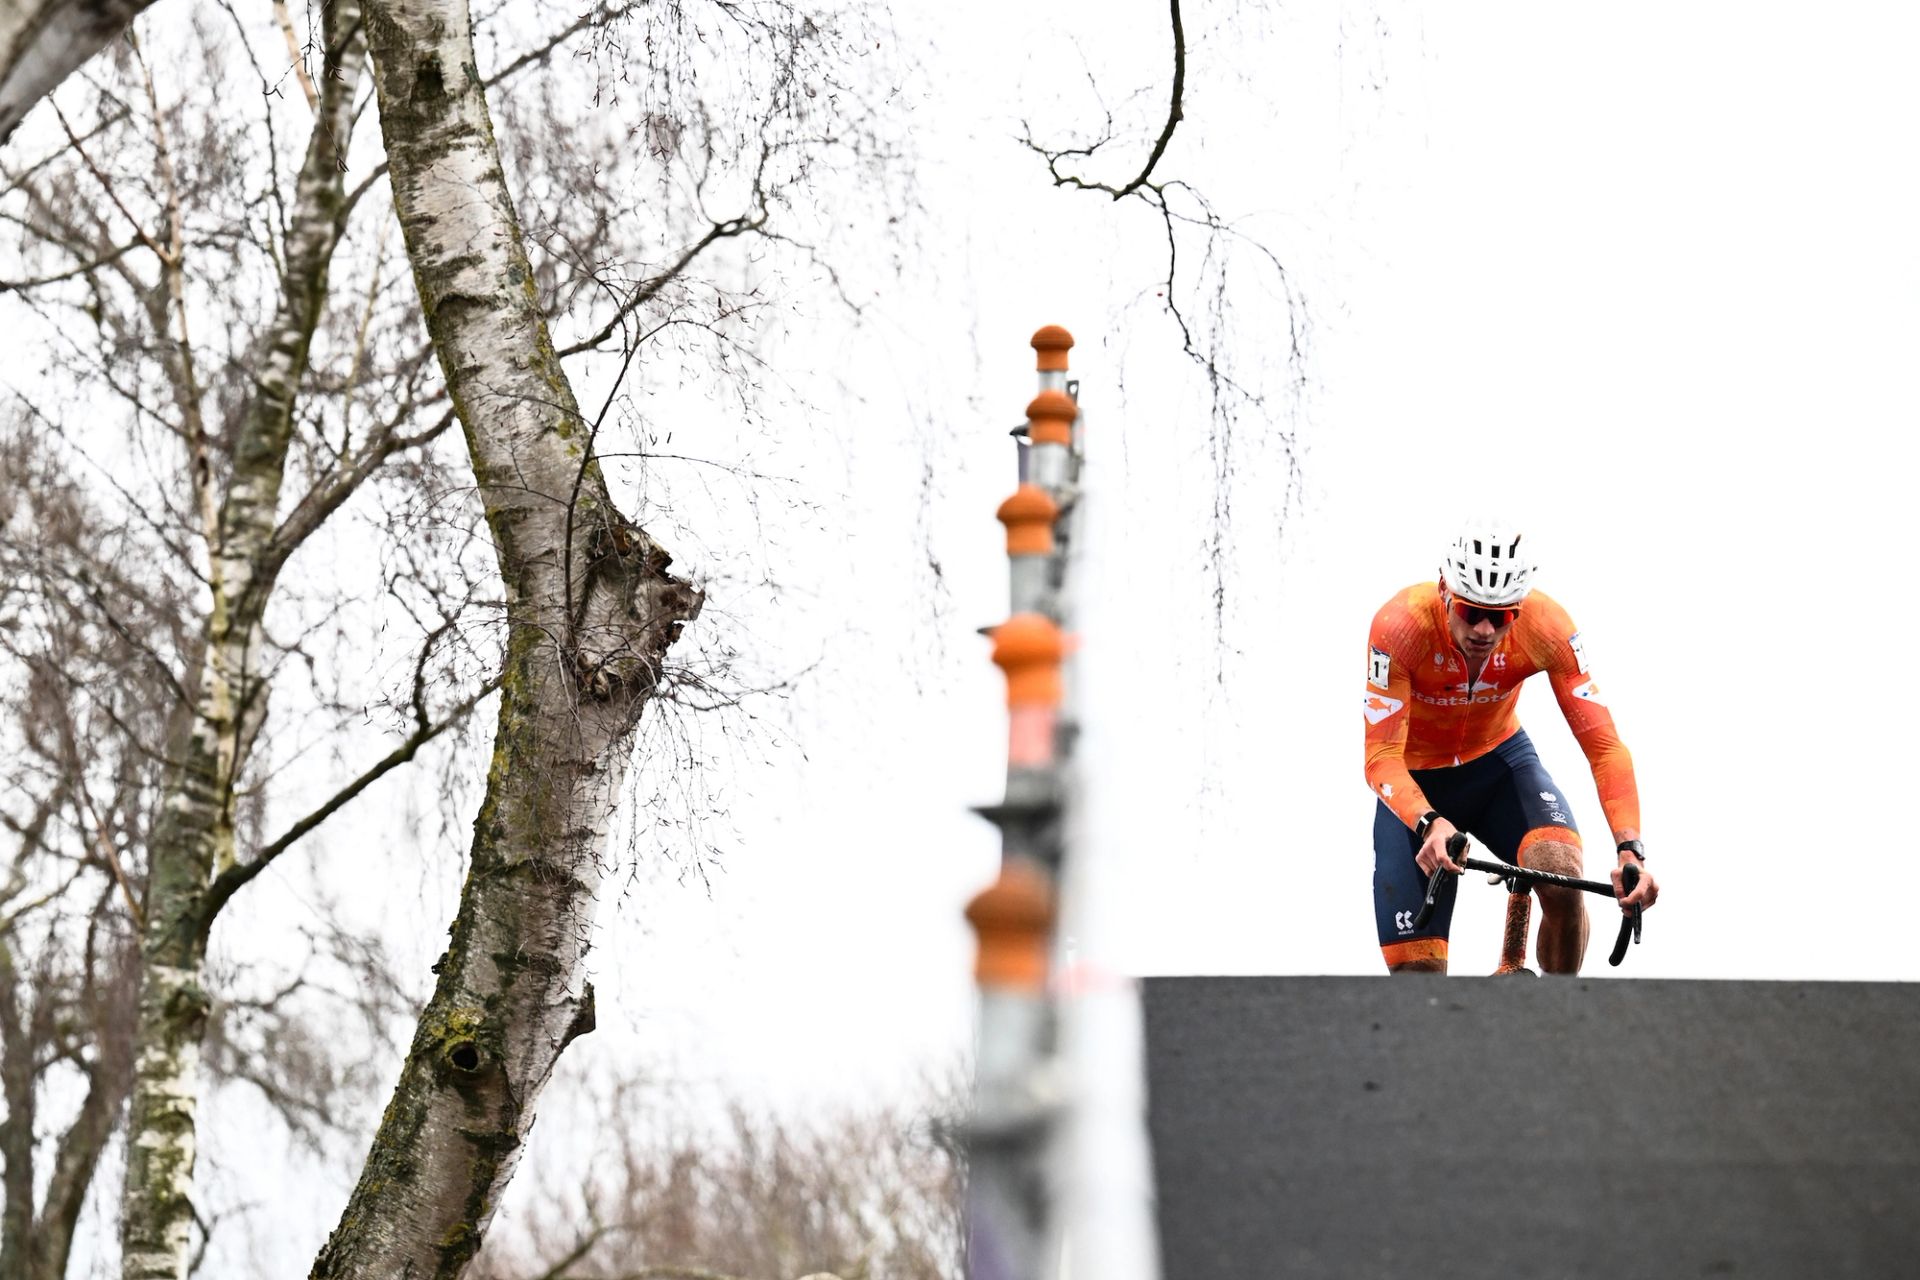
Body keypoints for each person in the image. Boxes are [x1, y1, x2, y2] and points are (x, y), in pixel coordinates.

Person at [1363, 518, 1658, 974]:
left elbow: (1604, 747)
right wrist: (1428, 822)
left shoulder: (1547, 626)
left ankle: (1560, 1005)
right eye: (1470, 612)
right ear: (1444, 592)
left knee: (1562, 875)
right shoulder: (1400, 626)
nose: (1484, 629)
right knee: (1418, 980)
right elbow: (1380, 757)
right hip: (1416, 782)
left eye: (1500, 617)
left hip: (1500, 765)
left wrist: (1630, 849)